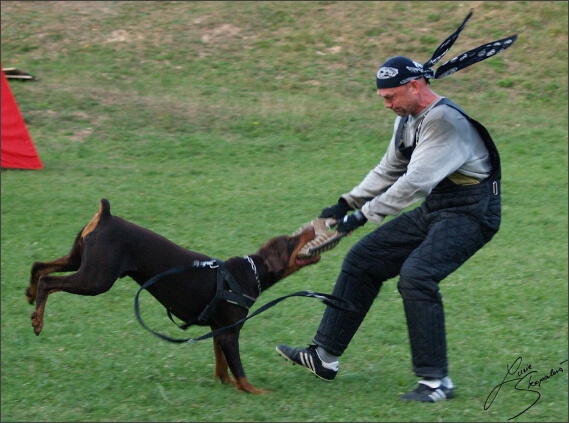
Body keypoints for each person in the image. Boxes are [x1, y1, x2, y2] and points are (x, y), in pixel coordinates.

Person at [276, 11, 517, 403]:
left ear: (416, 85)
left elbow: (414, 183)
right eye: (383, 98)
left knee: (417, 276)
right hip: (439, 207)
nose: (386, 104)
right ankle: (324, 356)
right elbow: (391, 168)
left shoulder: (444, 123)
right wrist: (344, 203)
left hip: (472, 213)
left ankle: (437, 383)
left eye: (390, 96)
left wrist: (360, 217)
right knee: (362, 260)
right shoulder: (407, 117)